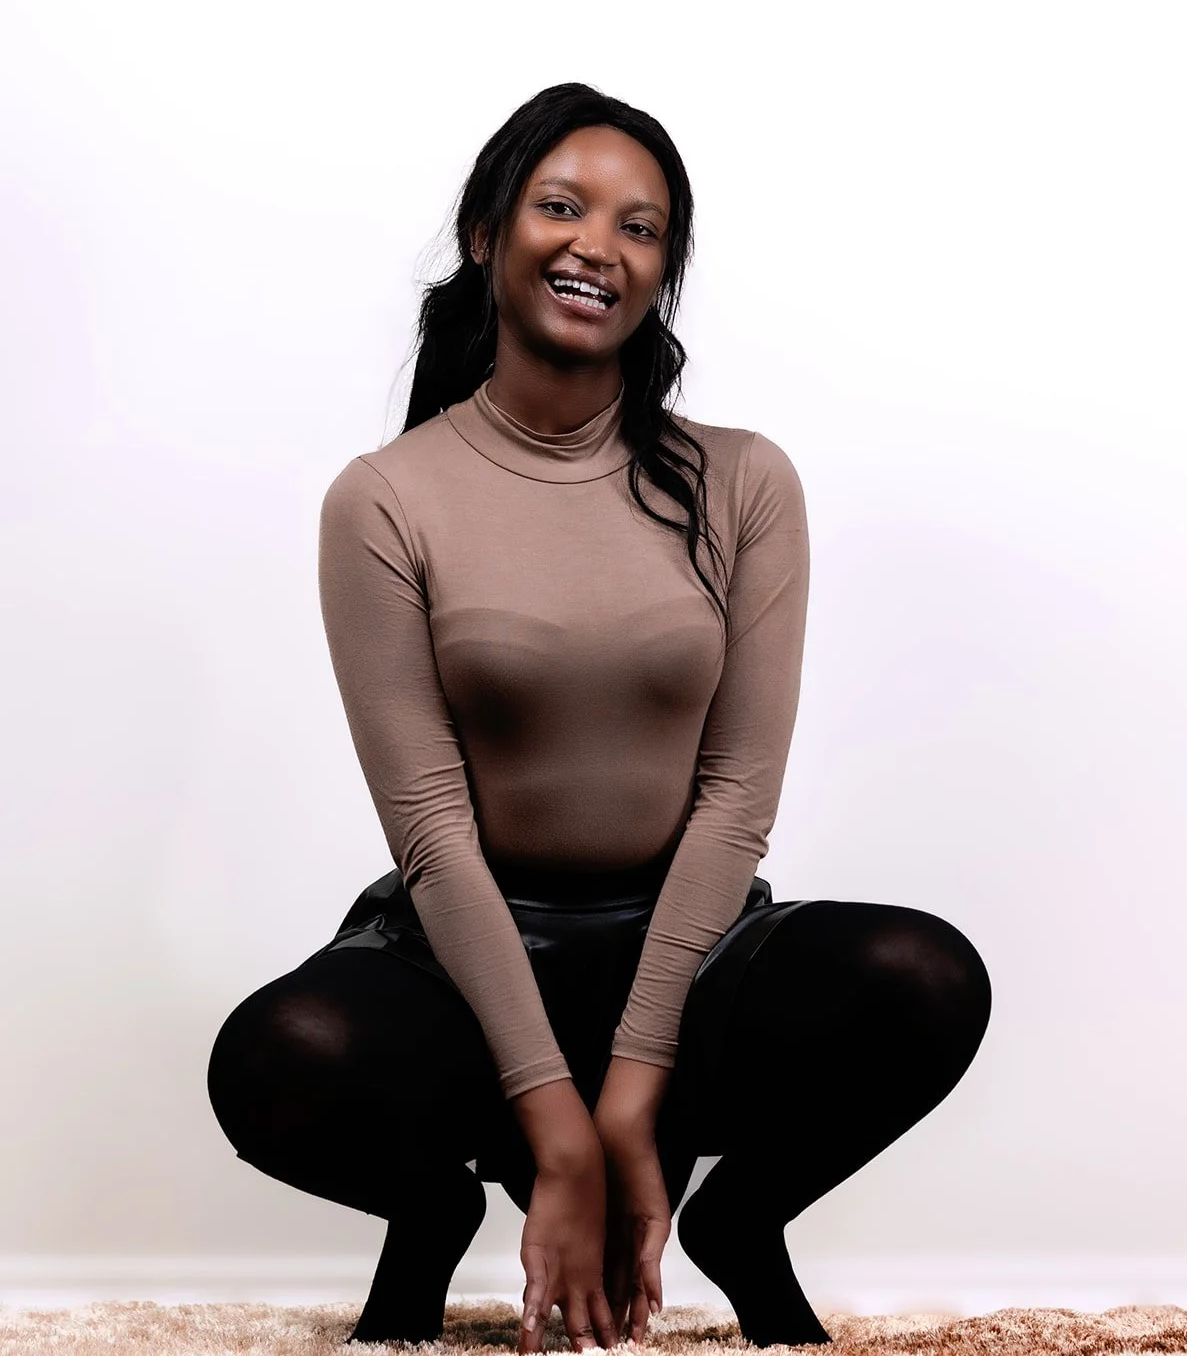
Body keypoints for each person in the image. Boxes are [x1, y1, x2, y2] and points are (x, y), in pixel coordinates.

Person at [206, 83, 993, 1352]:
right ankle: (429, 1215)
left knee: (920, 973)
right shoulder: (385, 499)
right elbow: (428, 826)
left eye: (640, 228)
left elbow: (737, 794)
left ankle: (738, 1226)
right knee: (276, 1055)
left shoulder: (740, 479)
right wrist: (553, 1125)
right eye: (559, 206)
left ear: (662, 272)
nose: (596, 247)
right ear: (484, 232)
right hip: (466, 959)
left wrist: (627, 1099)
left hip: (687, 953)